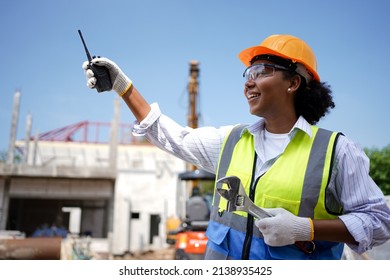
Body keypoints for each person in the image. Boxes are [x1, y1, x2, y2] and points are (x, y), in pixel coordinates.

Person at [82, 34, 390, 260]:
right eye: (247, 74)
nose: (248, 82)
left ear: (293, 82)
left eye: (261, 72)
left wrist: (306, 229)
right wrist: (123, 86)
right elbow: (172, 136)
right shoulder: (232, 141)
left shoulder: (337, 152)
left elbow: (379, 222)